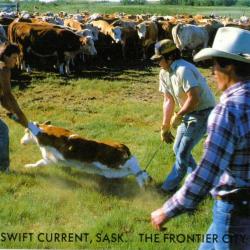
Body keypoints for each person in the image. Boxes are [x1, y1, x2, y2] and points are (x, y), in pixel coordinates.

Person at [151, 27, 250, 250]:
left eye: (215, 64)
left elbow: (208, 172)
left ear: (230, 67)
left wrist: (167, 210)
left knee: (183, 153)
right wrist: (167, 124)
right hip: (237, 205)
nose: (213, 72)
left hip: (234, 208)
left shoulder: (229, 110)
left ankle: (171, 184)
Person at [151, 39, 216, 193]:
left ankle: (167, 188)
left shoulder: (183, 70)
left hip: (203, 112)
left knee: (182, 152)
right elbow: (168, 100)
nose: (158, 63)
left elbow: (194, 98)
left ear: (170, 57)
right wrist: (165, 126)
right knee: (177, 148)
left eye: (159, 59)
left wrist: (179, 115)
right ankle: (199, 181)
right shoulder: (164, 73)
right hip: (188, 112)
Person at [0, 42, 28, 172]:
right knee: (3, 131)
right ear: (5, 56)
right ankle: (3, 167)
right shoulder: (3, 69)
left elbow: (3, 100)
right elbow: (9, 96)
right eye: (14, 58)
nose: (16, 62)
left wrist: (13, 113)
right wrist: (22, 116)